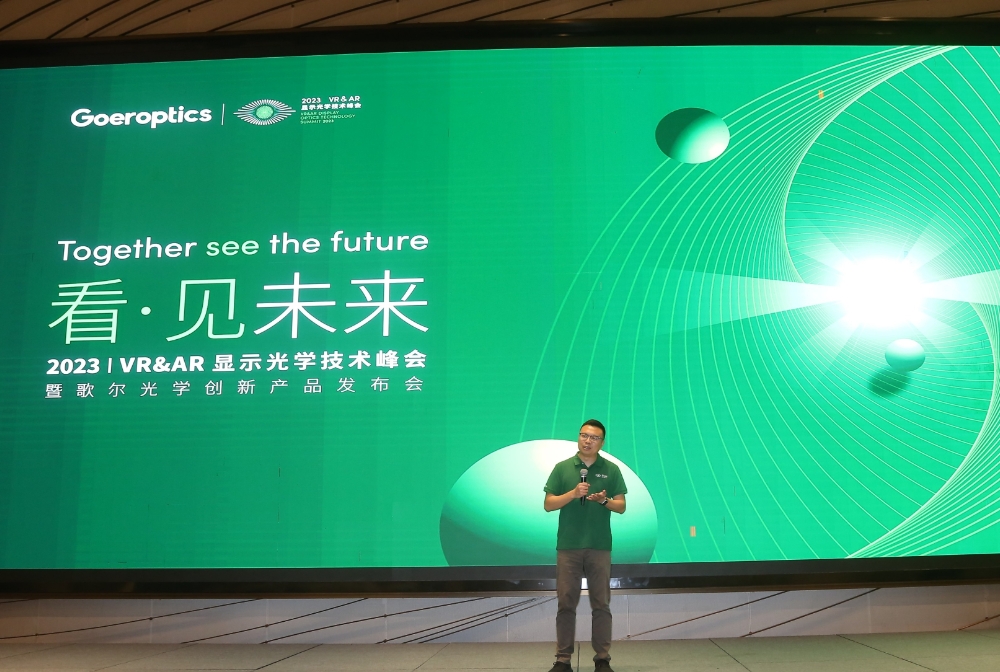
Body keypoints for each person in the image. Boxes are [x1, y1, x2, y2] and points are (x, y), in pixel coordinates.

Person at [543, 419, 627, 672]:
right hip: (568, 546)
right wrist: (573, 493)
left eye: (594, 437)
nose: (587, 441)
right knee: (566, 603)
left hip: (599, 546)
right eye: (584, 435)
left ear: (602, 442)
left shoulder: (611, 469)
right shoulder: (563, 468)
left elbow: (621, 506)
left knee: (601, 604)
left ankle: (602, 658)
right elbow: (548, 504)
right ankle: (563, 659)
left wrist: (603, 501)